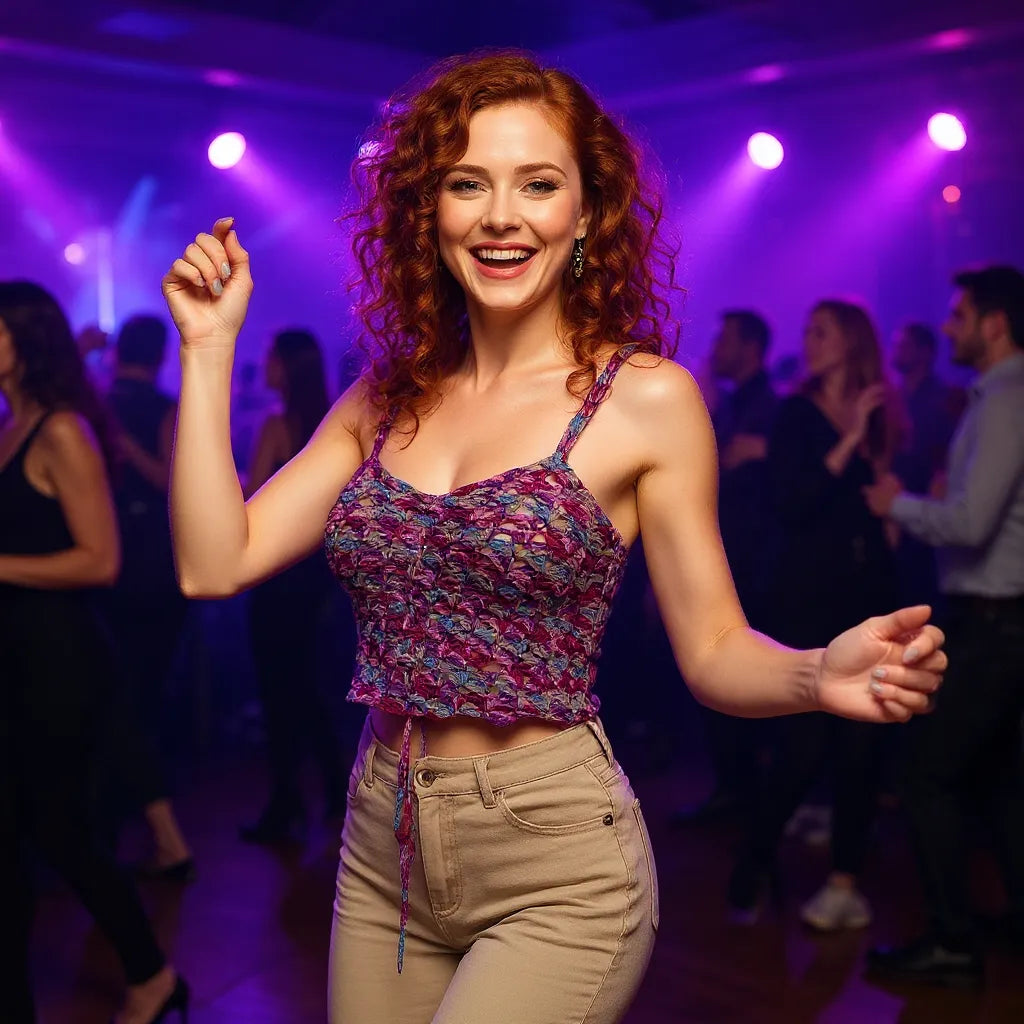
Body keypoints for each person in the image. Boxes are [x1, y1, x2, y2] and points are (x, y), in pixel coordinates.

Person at [162, 51, 944, 1024]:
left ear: (585, 213)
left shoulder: (644, 400)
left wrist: (814, 671)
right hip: (383, 838)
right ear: (428, 210)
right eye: (467, 184)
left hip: (554, 854)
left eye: (537, 184)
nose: (502, 216)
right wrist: (207, 352)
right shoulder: (381, 397)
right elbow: (213, 561)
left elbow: (710, 647)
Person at [0, 283, 186, 1023]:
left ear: (26, 340)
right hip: (16, 656)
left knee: (60, 832)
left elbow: (100, 558)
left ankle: (150, 972)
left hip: (60, 661)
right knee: (26, 840)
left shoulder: (61, 430)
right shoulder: (12, 426)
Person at [864, 266, 1024, 986]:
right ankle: (1011, 923)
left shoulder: (1006, 401)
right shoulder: (997, 397)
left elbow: (971, 522)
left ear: (994, 324)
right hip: (999, 618)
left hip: (995, 622)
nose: (949, 326)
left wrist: (896, 504)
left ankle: (953, 944)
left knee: (927, 775)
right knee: (996, 779)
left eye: (960, 315)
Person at [726, 299, 903, 931]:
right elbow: (791, 503)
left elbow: (878, 501)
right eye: (807, 331)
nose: (809, 340)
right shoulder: (796, 413)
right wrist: (848, 441)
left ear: (851, 341)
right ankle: (754, 862)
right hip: (808, 600)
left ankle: (843, 882)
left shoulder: (878, 410)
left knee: (863, 746)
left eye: (821, 331)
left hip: (866, 596)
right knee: (803, 747)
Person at [240, 328, 346, 843]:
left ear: (286, 364)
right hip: (320, 576)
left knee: (280, 691)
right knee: (308, 687)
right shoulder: (333, 424)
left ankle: (288, 803)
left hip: (279, 577)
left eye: (270, 356)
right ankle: (331, 792)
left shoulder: (277, 425)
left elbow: (254, 502)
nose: (265, 364)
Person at [674, 310, 778, 824]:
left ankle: (746, 801)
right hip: (731, 558)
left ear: (750, 346)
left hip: (751, 565)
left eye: (726, 338)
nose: (716, 345)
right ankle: (733, 793)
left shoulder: (768, 406)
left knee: (739, 677)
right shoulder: (738, 400)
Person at [102, 314, 194, 878]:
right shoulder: (157, 407)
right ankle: (142, 821)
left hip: (128, 567)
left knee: (127, 697)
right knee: (131, 699)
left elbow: (166, 480)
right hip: (143, 567)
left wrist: (123, 446)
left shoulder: (116, 405)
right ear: (160, 354)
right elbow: (171, 481)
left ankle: (130, 821)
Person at [890, 321, 965, 608]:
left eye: (904, 345)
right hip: (894, 506)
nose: (896, 350)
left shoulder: (947, 399)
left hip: (931, 510)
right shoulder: (891, 396)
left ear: (925, 352)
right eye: (896, 344)